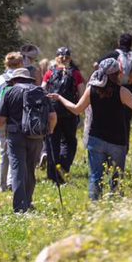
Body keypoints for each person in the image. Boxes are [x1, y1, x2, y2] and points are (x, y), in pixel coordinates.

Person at [49, 59, 132, 200]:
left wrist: (60, 98)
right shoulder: (122, 91)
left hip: (95, 140)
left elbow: (76, 109)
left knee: (96, 177)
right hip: (117, 142)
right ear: (116, 74)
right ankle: (115, 204)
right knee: (116, 177)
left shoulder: (91, 90)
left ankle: (95, 208)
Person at [0, 68, 57, 213]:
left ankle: (20, 207)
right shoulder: (40, 91)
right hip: (36, 136)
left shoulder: (9, 91)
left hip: (15, 136)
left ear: (15, 79)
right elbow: (53, 116)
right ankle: (28, 201)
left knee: (18, 169)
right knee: (30, 168)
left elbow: (1, 120)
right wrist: (50, 131)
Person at [42, 47, 85, 183]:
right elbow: (82, 93)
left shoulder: (49, 73)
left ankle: (52, 176)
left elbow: (42, 91)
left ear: (56, 58)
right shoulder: (76, 74)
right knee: (69, 142)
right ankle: (63, 170)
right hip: (70, 112)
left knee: (52, 142)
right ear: (69, 59)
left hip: (52, 113)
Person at [0, 52, 24, 192]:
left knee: (4, 152)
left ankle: (2, 186)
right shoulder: (24, 79)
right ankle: (13, 182)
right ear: (20, 63)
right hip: (19, 121)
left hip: (1, 120)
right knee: (17, 152)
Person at [103, 33, 132, 150]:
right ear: (131, 43)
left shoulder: (113, 54)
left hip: (114, 91)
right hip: (130, 92)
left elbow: (97, 65)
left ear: (119, 42)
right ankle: (125, 146)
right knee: (126, 120)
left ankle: (112, 144)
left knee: (113, 117)